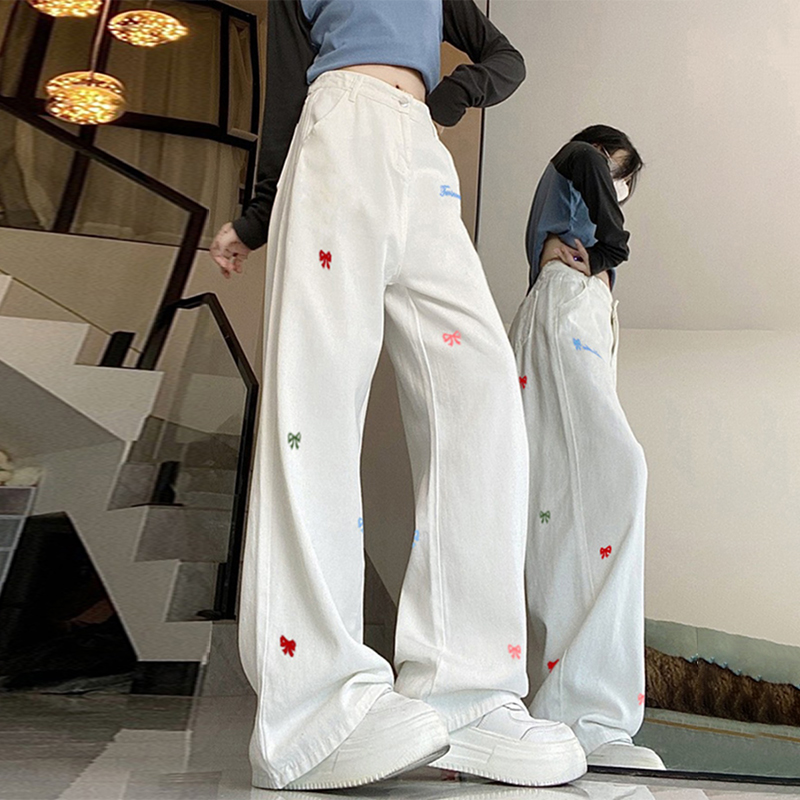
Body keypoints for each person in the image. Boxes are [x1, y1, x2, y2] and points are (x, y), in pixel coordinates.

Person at [209, 0, 587, 791]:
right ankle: (311, 710)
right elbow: (285, 86)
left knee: (482, 396)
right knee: (314, 406)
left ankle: (466, 693)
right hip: (336, 128)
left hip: (420, 150)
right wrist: (256, 216)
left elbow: (503, 58)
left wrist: (448, 98)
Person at [508, 125, 665, 770]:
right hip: (567, 310)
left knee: (558, 516)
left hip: (575, 318)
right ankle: (588, 714)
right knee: (617, 476)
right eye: (616, 173)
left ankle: (565, 710)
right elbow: (595, 189)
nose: (616, 188)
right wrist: (606, 254)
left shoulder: (573, 191)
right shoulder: (579, 159)